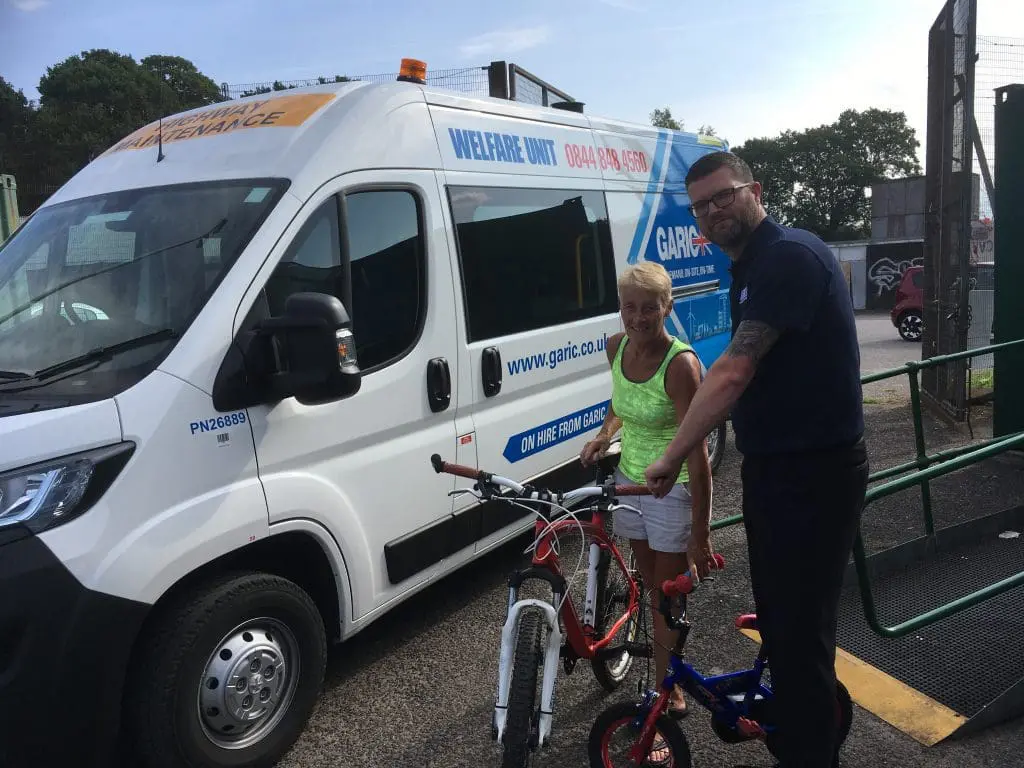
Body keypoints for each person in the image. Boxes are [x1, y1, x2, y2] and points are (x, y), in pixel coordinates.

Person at [644, 151, 868, 768]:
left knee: (799, 638)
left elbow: (735, 369)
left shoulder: (788, 257)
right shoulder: (750, 269)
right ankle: (799, 734)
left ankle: (809, 753)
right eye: (702, 206)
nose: (714, 211)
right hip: (777, 473)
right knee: (783, 623)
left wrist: (671, 455)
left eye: (724, 195)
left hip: (814, 476)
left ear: (755, 191)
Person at [580, 261, 714, 727]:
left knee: (665, 597)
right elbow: (620, 402)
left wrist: (702, 532)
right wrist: (604, 434)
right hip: (629, 483)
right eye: (629, 308)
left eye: (649, 308)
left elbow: (697, 455)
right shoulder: (616, 346)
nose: (638, 318)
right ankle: (661, 666)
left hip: (671, 488)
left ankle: (667, 691)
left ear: (668, 306)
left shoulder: (681, 366)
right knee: (650, 583)